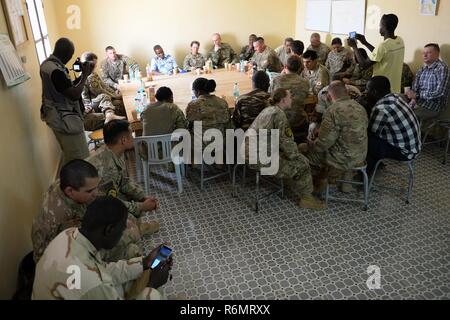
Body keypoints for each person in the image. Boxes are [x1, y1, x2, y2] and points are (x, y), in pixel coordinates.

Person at [32, 196, 172, 300]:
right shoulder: (93, 284)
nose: (124, 232)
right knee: (152, 290)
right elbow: (95, 280)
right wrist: (152, 286)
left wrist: (144, 262)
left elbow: (102, 270)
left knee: (143, 274)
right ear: (109, 230)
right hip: (86, 290)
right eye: (122, 228)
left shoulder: (69, 235)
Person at [31, 160, 147, 264]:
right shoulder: (54, 217)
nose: (96, 193)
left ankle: (137, 231)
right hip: (64, 261)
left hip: (78, 237)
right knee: (131, 251)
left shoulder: (72, 184)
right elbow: (85, 248)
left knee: (126, 219)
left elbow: (103, 202)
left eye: (96, 187)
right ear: (70, 191)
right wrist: (128, 237)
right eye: (90, 191)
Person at [243, 88, 325, 210]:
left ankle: (290, 181)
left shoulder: (268, 110)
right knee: (302, 164)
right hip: (261, 159)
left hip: (248, 153)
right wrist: (299, 154)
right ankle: (307, 199)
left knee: (295, 152)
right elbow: (286, 142)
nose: (292, 99)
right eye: (289, 97)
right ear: (283, 100)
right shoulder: (279, 115)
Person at [86, 120, 161, 229]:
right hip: (94, 209)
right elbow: (111, 204)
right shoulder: (105, 168)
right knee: (128, 224)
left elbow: (124, 181)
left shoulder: (113, 151)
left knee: (132, 196)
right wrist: (142, 206)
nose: (133, 137)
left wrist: (142, 197)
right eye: (131, 134)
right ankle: (137, 230)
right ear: (123, 140)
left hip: (105, 198)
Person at [299, 81, 368, 193]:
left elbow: (322, 145)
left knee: (303, 150)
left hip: (341, 159)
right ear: (347, 92)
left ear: (329, 96)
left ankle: (315, 187)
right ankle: (347, 181)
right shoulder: (360, 107)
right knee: (347, 146)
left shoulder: (332, 111)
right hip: (361, 156)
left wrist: (310, 143)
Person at [40, 37, 92, 165]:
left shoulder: (47, 65)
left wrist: (80, 77)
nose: (70, 59)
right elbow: (73, 94)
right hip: (64, 118)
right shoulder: (56, 71)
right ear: (67, 54)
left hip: (58, 115)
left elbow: (65, 88)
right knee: (79, 157)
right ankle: (79, 183)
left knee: (71, 154)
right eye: (70, 55)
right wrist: (85, 75)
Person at [366, 76, 421, 174]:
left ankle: (368, 171)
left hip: (403, 153)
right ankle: (376, 164)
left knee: (364, 139)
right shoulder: (396, 97)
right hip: (414, 148)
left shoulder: (381, 108)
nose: (365, 92)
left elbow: (371, 132)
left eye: (367, 89)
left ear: (374, 92)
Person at [348, 14, 405, 94]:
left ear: (384, 26)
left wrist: (354, 47)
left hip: (381, 89)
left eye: (380, 25)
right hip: (395, 88)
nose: (379, 28)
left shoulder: (383, 46)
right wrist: (365, 43)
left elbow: (364, 65)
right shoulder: (400, 41)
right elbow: (380, 54)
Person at [81, 52, 126, 131]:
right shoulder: (87, 76)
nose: (96, 65)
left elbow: (104, 86)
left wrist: (114, 93)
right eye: (94, 63)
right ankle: (110, 116)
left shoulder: (93, 73)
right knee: (104, 96)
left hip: (100, 101)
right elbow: (99, 91)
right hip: (91, 103)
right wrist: (116, 96)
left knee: (119, 102)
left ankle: (120, 124)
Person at [270, 55, 310, 143]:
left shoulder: (276, 80)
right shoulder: (305, 82)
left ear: (285, 66)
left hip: (280, 121)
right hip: (298, 120)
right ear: (300, 68)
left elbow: (270, 98)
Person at [406, 43, 450, 121]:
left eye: (428, 53)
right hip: (418, 102)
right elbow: (415, 88)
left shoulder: (443, 69)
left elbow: (440, 93)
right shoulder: (422, 69)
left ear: (437, 54)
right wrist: (413, 97)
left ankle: (413, 132)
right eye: (423, 53)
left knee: (405, 115)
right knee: (395, 101)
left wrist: (417, 95)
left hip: (432, 106)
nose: (425, 55)